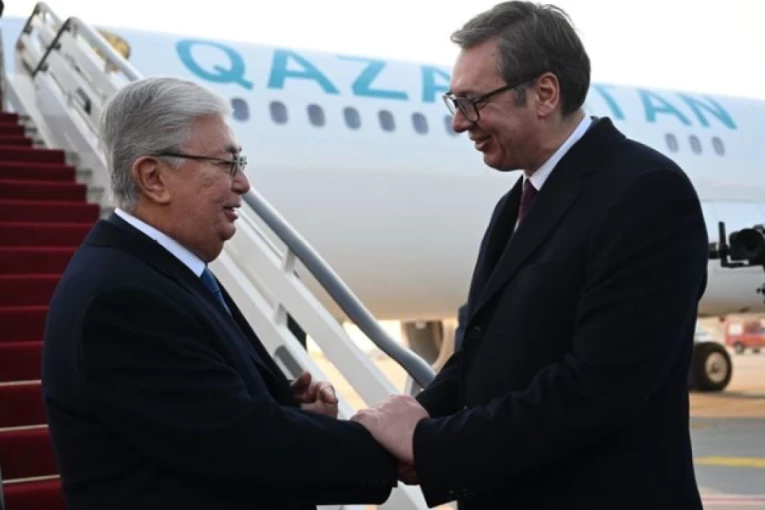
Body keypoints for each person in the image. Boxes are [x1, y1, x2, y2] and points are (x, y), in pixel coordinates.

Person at [351, 2, 708, 509]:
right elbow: (482, 357)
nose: (459, 123)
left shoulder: (646, 193)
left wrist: (431, 445)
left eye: (473, 102)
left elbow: (596, 389)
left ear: (544, 94)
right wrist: (410, 418)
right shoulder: (514, 205)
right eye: (455, 102)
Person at [42, 77, 397, 510]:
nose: (243, 183)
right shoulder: (122, 300)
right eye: (227, 164)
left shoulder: (160, 270)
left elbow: (196, 414)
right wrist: (393, 448)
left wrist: (282, 405)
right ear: (154, 178)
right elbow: (242, 446)